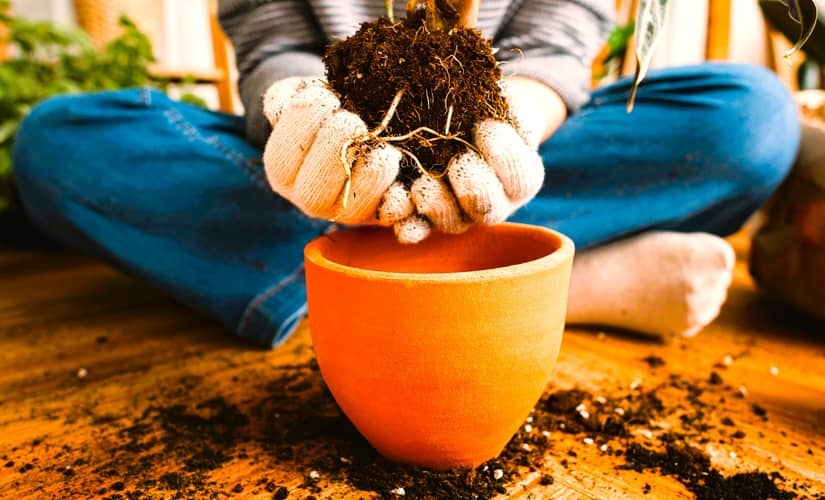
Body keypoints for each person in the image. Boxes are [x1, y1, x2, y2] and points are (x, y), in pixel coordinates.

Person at [11, 0, 801, 347]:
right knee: (59, 142)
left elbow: (557, 46)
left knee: (749, 115)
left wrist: (511, 123)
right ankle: (550, 282)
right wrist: (295, 116)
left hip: (516, 143)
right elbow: (273, 46)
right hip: (332, 147)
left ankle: (355, 285)